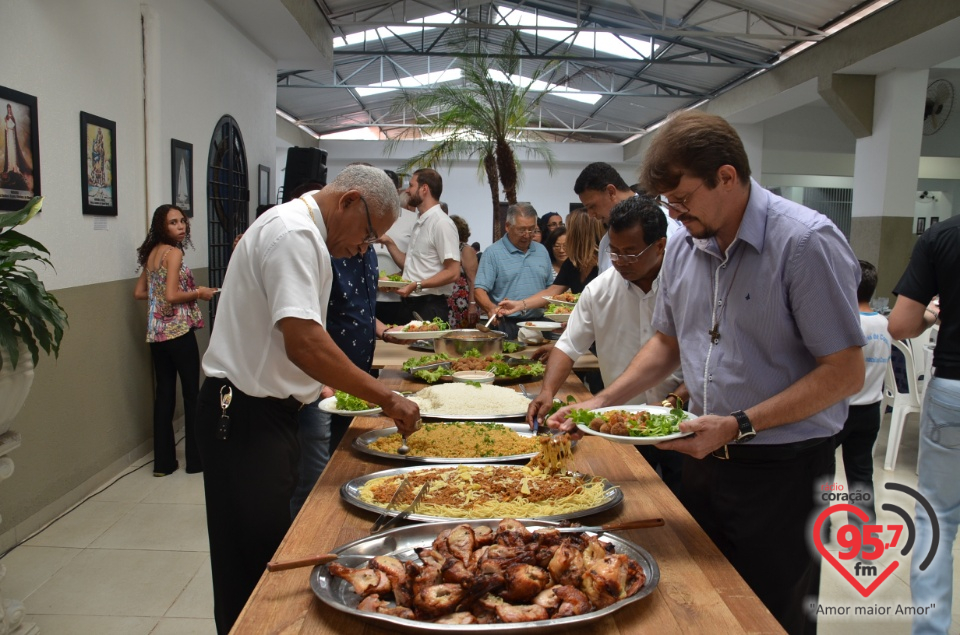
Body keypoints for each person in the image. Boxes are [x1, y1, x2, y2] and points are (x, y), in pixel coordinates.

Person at [551, 110, 865, 635]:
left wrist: (740, 423)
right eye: (668, 203)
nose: (675, 213)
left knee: (768, 612)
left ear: (727, 176)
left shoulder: (804, 243)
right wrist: (599, 402)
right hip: (702, 454)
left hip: (781, 470)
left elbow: (845, 372)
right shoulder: (686, 245)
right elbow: (667, 343)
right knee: (702, 606)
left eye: (682, 199)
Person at [197, 165, 421, 634]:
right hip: (243, 414)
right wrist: (387, 398)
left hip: (269, 413)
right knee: (253, 562)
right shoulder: (294, 234)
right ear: (348, 200)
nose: (362, 249)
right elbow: (303, 341)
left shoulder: (301, 230)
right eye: (367, 235)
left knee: (262, 548)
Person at [526, 196, 687, 494]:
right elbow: (568, 345)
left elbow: (700, 356)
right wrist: (547, 391)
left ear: (660, 246)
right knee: (638, 495)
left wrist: (676, 400)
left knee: (684, 502)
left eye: (631, 253)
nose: (620, 261)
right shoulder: (599, 290)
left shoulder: (684, 286)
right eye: (614, 252)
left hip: (682, 420)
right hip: (620, 420)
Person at [888, 214, 958, 635]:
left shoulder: (944, 235)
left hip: (954, 386)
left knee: (939, 518)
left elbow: (900, 325)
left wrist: (933, 314)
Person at [134, 204, 217, 476]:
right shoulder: (174, 253)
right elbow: (171, 295)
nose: (181, 226)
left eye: (182, 221)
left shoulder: (151, 254)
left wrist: (162, 296)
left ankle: (164, 464)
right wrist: (198, 292)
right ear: (162, 226)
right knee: (192, 394)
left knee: (164, 396)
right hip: (178, 332)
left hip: (157, 334)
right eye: (173, 222)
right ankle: (196, 462)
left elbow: (140, 292)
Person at [831, 260, 890, 536]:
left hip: (841, 410)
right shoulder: (885, 324)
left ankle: (824, 527)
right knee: (861, 473)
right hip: (871, 409)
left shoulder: (847, 324)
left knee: (823, 471)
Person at [378, 168, 460, 323]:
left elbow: (453, 272)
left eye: (411, 185)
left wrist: (417, 285)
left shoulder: (441, 223)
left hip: (429, 305)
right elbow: (412, 266)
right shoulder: (420, 221)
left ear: (424, 189)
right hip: (410, 304)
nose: (407, 190)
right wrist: (388, 242)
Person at [574, 162, 680, 273]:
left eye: (592, 206)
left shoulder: (661, 221)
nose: (591, 215)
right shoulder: (605, 242)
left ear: (611, 192)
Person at [498, 208, 605, 316]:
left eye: (569, 229)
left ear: (581, 234)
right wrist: (520, 305)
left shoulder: (605, 263)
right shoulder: (572, 263)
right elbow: (552, 291)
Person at [474, 203, 554, 339]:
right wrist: (490, 307)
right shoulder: (493, 253)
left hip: (539, 323)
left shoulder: (542, 250)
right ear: (507, 226)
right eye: (521, 230)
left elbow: (551, 288)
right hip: (507, 324)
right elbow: (479, 290)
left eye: (532, 230)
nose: (527, 235)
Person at [373, 175, 417, 326]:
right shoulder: (367, 215)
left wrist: (397, 278)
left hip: (399, 298)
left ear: (397, 190)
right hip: (366, 295)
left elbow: (416, 260)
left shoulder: (413, 219)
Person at [448, 215, 479, 328]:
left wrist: (472, 305)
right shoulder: (448, 248)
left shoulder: (466, 250)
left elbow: (472, 280)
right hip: (449, 302)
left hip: (462, 302)